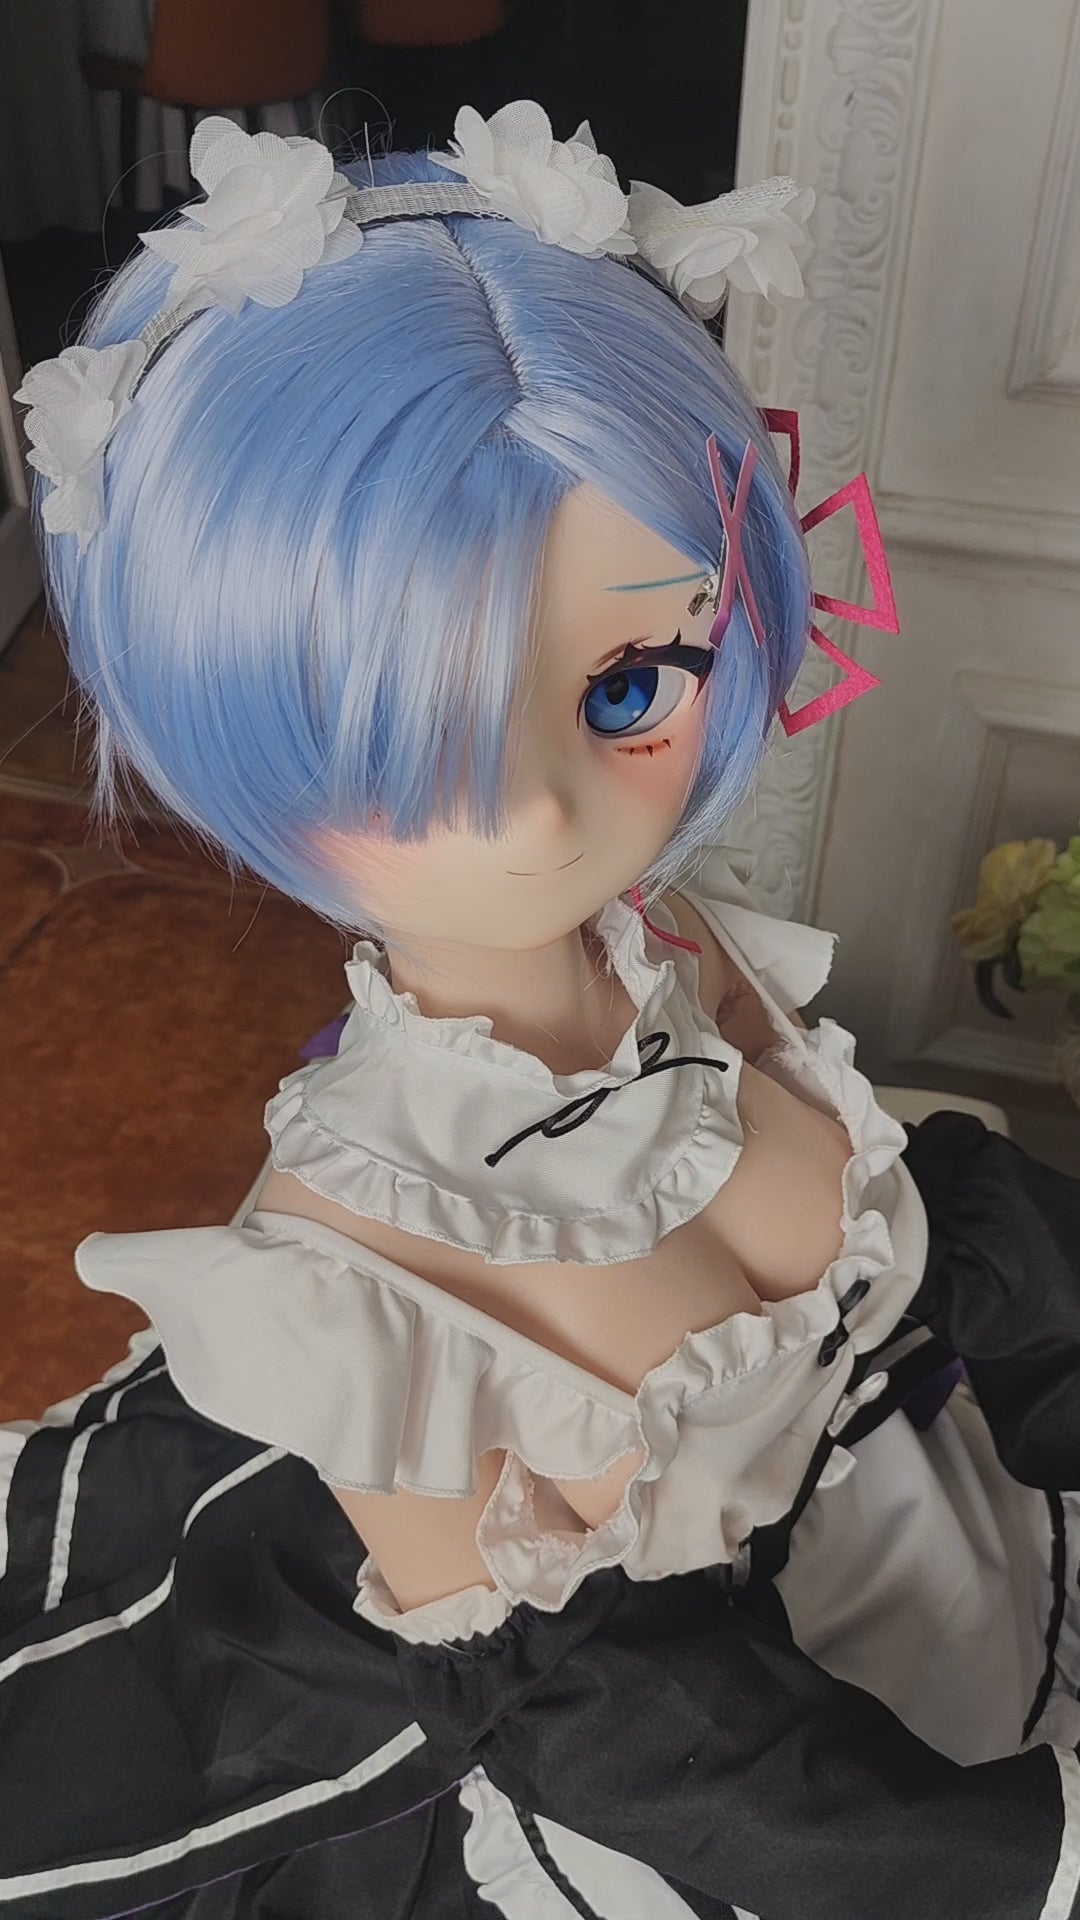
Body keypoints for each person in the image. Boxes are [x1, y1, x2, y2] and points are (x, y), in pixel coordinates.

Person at [6, 102, 1080, 1920]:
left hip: (953, 1564)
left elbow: (950, 1240)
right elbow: (617, 1726)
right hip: (756, 1813)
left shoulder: (692, 962)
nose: (528, 814)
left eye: (630, 682)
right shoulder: (343, 1271)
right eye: (396, 732)